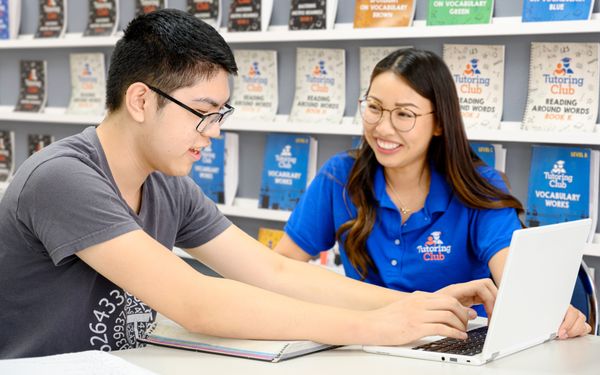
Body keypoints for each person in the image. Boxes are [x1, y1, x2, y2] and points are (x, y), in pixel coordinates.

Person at [0, 10, 499, 359]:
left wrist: (416, 307)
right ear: (140, 100)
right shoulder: (62, 178)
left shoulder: (168, 183)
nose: (213, 133)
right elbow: (196, 302)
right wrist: (375, 326)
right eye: (202, 113)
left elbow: (275, 273)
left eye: (221, 114)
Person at [275, 48, 591, 340]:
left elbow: (516, 278)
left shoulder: (478, 185)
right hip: (369, 342)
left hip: (458, 343)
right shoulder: (340, 176)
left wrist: (548, 309)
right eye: (374, 108)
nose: (383, 128)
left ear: (439, 122)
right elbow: (278, 271)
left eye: (404, 114)